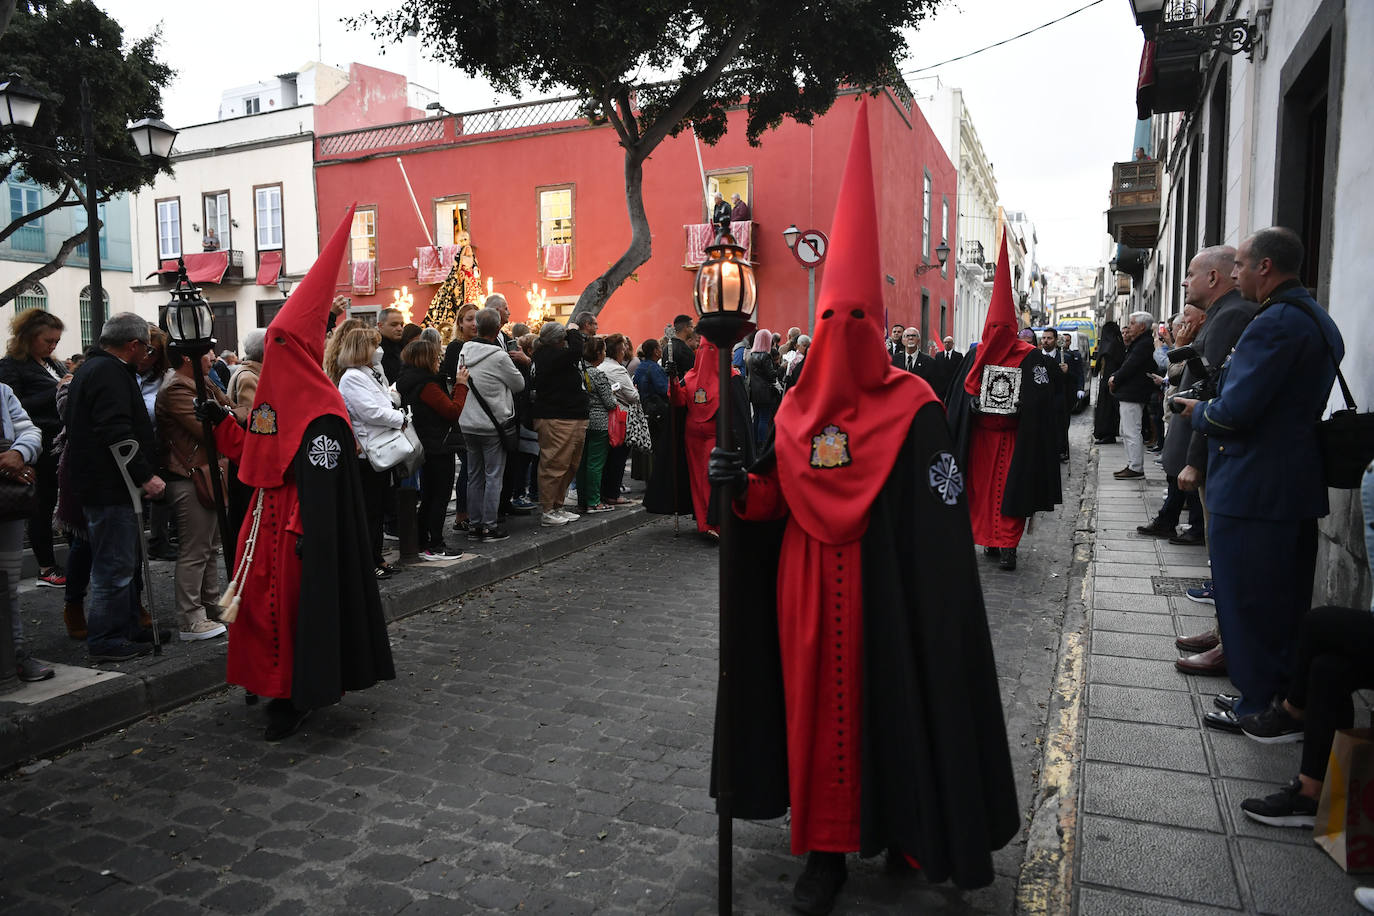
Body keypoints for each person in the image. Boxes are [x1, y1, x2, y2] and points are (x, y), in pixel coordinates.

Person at [709, 102, 1017, 914]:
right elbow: (774, 495)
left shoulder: (913, 406)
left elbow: (938, 518)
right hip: (807, 593)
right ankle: (826, 853)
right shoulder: (795, 402)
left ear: (877, 328)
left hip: (887, 591)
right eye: (830, 320)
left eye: (855, 321)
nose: (842, 332)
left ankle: (905, 825)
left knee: (893, 706)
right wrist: (737, 488)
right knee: (817, 720)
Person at [197, 206, 394, 741]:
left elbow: (321, 483)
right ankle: (265, 680)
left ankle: (290, 693)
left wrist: (306, 530)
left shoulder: (324, 411)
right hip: (261, 521)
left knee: (284, 612)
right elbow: (256, 451)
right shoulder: (271, 399)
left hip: (294, 531)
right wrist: (217, 422)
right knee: (256, 609)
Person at [1173, 226, 1343, 728]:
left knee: (1250, 599)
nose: (1237, 273)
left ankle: (1256, 701)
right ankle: (1272, 692)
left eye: (1242, 266)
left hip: (1254, 486)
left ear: (1266, 268)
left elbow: (1234, 412)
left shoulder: (1276, 323)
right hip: (1287, 481)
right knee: (1279, 600)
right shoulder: (1316, 317)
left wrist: (1196, 411)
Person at [945, 235, 1062, 572]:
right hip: (980, 440)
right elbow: (958, 398)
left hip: (1015, 439)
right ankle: (988, 541)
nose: (997, 332)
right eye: (992, 327)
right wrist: (974, 406)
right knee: (981, 493)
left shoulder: (1030, 357)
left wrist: (1020, 406)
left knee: (1012, 494)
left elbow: (1041, 400)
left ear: (1012, 329)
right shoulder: (974, 356)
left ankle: (1009, 545)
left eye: (1002, 327)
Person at [65, 313, 167, 662]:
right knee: (114, 566)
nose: (147, 355)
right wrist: (144, 475)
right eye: (146, 348)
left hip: (104, 485)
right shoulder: (108, 373)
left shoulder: (94, 369)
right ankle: (106, 639)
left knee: (121, 562)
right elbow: (116, 431)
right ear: (133, 345)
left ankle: (124, 627)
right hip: (111, 487)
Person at [154, 346, 231, 642]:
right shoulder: (177, 389)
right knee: (195, 550)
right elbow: (210, 429)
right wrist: (228, 415)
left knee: (209, 547)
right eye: (207, 352)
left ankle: (210, 606)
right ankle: (190, 618)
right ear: (188, 357)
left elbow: (230, 410)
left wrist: (227, 414)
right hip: (189, 475)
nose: (212, 357)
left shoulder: (202, 382)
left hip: (206, 472)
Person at [0, 309, 69, 588]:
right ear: (28, 338)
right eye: (47, 341)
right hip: (37, 448)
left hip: (59, 443)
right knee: (39, 504)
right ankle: (45, 565)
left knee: (54, 501)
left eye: (55, 341)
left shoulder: (53, 364)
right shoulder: (10, 366)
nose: (52, 346)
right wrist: (58, 390)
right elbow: (16, 408)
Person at [333, 326, 406, 579]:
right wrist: (400, 419)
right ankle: (370, 560)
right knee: (370, 510)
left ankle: (377, 557)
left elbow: (382, 401)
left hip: (378, 446)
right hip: (368, 451)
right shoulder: (352, 377)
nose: (378, 350)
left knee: (378, 507)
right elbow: (371, 412)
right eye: (374, 346)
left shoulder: (367, 373)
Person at [667, 330, 752, 540]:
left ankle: (717, 521)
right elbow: (677, 401)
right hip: (693, 437)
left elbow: (739, 412)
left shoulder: (731, 377)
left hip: (717, 436)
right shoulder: (690, 376)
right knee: (698, 480)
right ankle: (706, 523)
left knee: (711, 478)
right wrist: (673, 379)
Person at [396, 338, 469, 559]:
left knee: (429, 494)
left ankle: (422, 540)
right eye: (436, 356)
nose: (439, 360)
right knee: (439, 494)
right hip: (438, 444)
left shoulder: (407, 381)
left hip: (425, 443)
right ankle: (435, 544)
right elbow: (452, 411)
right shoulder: (427, 385)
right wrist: (461, 385)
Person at [1138, 306, 1206, 545]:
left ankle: (1193, 526)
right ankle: (1168, 519)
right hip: (1179, 412)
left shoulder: (1198, 343)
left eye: (1187, 316)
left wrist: (1179, 346)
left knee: (1186, 469)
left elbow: (1174, 372)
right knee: (1175, 468)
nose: (1182, 323)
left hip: (1192, 413)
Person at [460, 308, 525, 541]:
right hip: (492, 425)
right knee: (493, 476)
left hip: (468, 422)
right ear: (498, 329)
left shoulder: (464, 351)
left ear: (476, 327)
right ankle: (489, 525)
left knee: (474, 475)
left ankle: (475, 525)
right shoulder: (499, 356)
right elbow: (518, 385)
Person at [0, 381, 50, 681]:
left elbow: (29, 430)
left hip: (7, 501)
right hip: (9, 482)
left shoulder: (2, 390)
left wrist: (19, 454)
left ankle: (15, 652)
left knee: (9, 585)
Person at [529, 321, 588, 526]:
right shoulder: (546, 355)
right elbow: (576, 352)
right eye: (564, 338)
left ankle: (557, 505)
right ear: (558, 340)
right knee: (554, 464)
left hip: (573, 416)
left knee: (570, 465)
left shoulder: (556, 355)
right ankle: (548, 509)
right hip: (557, 418)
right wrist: (573, 331)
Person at [1107, 312, 1156, 479]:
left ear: (1142, 326)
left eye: (1132, 323)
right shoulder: (1140, 342)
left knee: (1131, 430)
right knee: (1126, 429)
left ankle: (1136, 467)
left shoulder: (1144, 344)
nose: (1129, 326)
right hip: (1131, 392)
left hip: (1134, 393)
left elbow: (1130, 365)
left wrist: (1115, 378)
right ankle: (1132, 464)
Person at [575, 335, 617, 514]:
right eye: (604, 351)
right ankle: (594, 502)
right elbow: (609, 402)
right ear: (598, 353)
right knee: (595, 464)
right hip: (600, 422)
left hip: (583, 421)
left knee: (583, 463)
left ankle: (583, 500)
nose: (605, 354)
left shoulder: (578, 370)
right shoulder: (597, 373)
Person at [597, 333, 638, 506]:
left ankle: (605, 493)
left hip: (603, 417)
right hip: (619, 418)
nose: (625, 351)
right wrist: (635, 389)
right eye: (623, 348)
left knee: (606, 459)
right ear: (618, 351)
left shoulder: (600, 367)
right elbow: (633, 396)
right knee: (618, 457)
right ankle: (613, 494)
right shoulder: (618, 369)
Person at [746, 329, 781, 450]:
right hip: (765, 392)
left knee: (757, 417)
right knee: (764, 418)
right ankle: (762, 445)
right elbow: (771, 375)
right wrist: (780, 368)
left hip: (754, 392)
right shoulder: (765, 356)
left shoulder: (750, 356)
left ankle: (755, 444)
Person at [1092, 321, 1124, 444]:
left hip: (1108, 382)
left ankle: (1106, 433)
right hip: (1112, 381)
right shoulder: (1118, 344)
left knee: (1106, 410)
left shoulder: (1109, 346)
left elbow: (1106, 366)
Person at [377, 307, 406, 384]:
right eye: (394, 325)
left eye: (401, 325)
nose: (400, 328)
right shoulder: (373, 350)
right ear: (380, 325)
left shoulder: (405, 347)